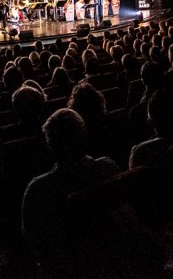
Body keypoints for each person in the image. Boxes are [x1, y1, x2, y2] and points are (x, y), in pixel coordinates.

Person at [20, 108, 121, 272]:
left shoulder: (37, 190)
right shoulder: (109, 168)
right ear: (84, 136)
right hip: (114, 262)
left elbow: (35, 241)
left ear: (50, 144)